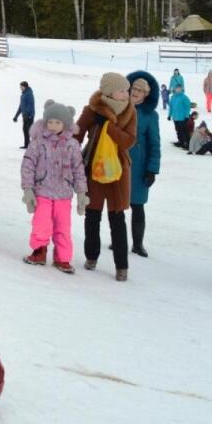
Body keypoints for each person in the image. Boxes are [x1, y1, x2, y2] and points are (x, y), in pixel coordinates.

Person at [74, 73, 137, 281]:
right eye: (121, 90)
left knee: (117, 218)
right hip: (94, 168)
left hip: (118, 171)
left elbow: (129, 141)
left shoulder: (130, 111)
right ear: (109, 91)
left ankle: (122, 266)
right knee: (93, 215)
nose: (126, 94)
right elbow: (77, 134)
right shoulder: (92, 109)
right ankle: (91, 256)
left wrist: (109, 128)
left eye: (127, 90)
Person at [22, 100, 88, 273]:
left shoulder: (72, 145)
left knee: (63, 227)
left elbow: (78, 169)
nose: (52, 125)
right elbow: (28, 165)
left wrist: (81, 193)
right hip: (42, 191)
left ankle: (62, 258)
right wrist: (28, 190)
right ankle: (39, 251)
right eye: (50, 122)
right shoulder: (38, 142)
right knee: (41, 223)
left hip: (64, 194)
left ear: (65, 124)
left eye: (57, 122)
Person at [126, 71, 161, 257]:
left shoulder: (149, 115)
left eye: (141, 90)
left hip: (138, 166)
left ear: (147, 94)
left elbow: (155, 144)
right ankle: (119, 240)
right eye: (134, 88)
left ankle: (137, 244)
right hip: (115, 161)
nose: (136, 92)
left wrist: (152, 169)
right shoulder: (118, 107)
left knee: (137, 205)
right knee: (116, 205)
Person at [168, 84, 191, 149]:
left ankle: (188, 143)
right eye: (177, 88)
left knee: (184, 131)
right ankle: (181, 142)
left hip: (182, 117)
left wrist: (186, 116)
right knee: (178, 130)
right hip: (175, 117)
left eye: (180, 88)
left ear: (182, 89)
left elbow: (187, 107)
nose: (178, 89)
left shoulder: (184, 97)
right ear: (174, 89)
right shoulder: (172, 97)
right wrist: (169, 115)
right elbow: (171, 107)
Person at [13, 80, 35, 149]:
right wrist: (16, 116)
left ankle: (34, 145)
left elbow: (30, 105)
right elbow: (21, 106)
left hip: (29, 116)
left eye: (21, 86)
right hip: (25, 116)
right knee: (25, 130)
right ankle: (27, 145)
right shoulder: (23, 95)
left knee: (29, 131)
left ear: (25, 86)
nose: (20, 88)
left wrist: (28, 114)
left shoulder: (29, 94)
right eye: (20, 86)